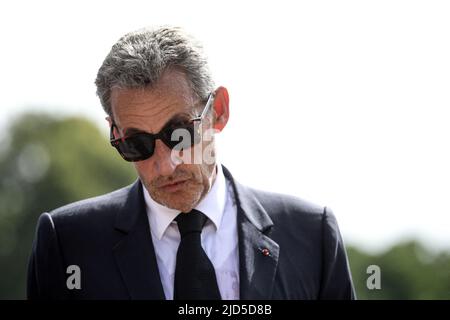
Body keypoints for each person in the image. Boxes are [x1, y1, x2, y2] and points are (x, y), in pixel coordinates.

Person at [27, 26, 355, 300]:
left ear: (219, 111)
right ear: (115, 133)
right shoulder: (67, 243)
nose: (166, 165)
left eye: (180, 134)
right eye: (137, 144)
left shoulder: (313, 236)